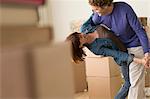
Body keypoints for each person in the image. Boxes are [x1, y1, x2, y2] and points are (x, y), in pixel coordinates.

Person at [80, 0, 150, 99]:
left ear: (105, 5)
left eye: (96, 9)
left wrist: (147, 52)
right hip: (121, 49)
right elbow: (86, 32)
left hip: (135, 45)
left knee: (135, 83)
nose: (94, 12)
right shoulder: (97, 17)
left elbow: (139, 30)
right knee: (133, 83)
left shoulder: (124, 9)